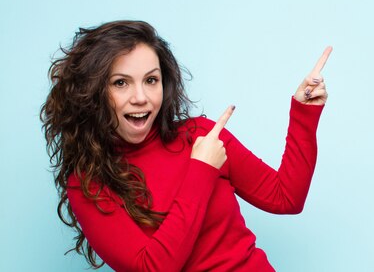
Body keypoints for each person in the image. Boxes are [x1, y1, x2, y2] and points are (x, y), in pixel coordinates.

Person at [41, 20, 331, 271]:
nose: (141, 97)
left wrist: (304, 114)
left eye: (151, 80)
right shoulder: (88, 183)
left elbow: (286, 198)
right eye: (120, 83)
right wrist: (201, 171)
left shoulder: (202, 136)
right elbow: (152, 268)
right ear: (91, 92)